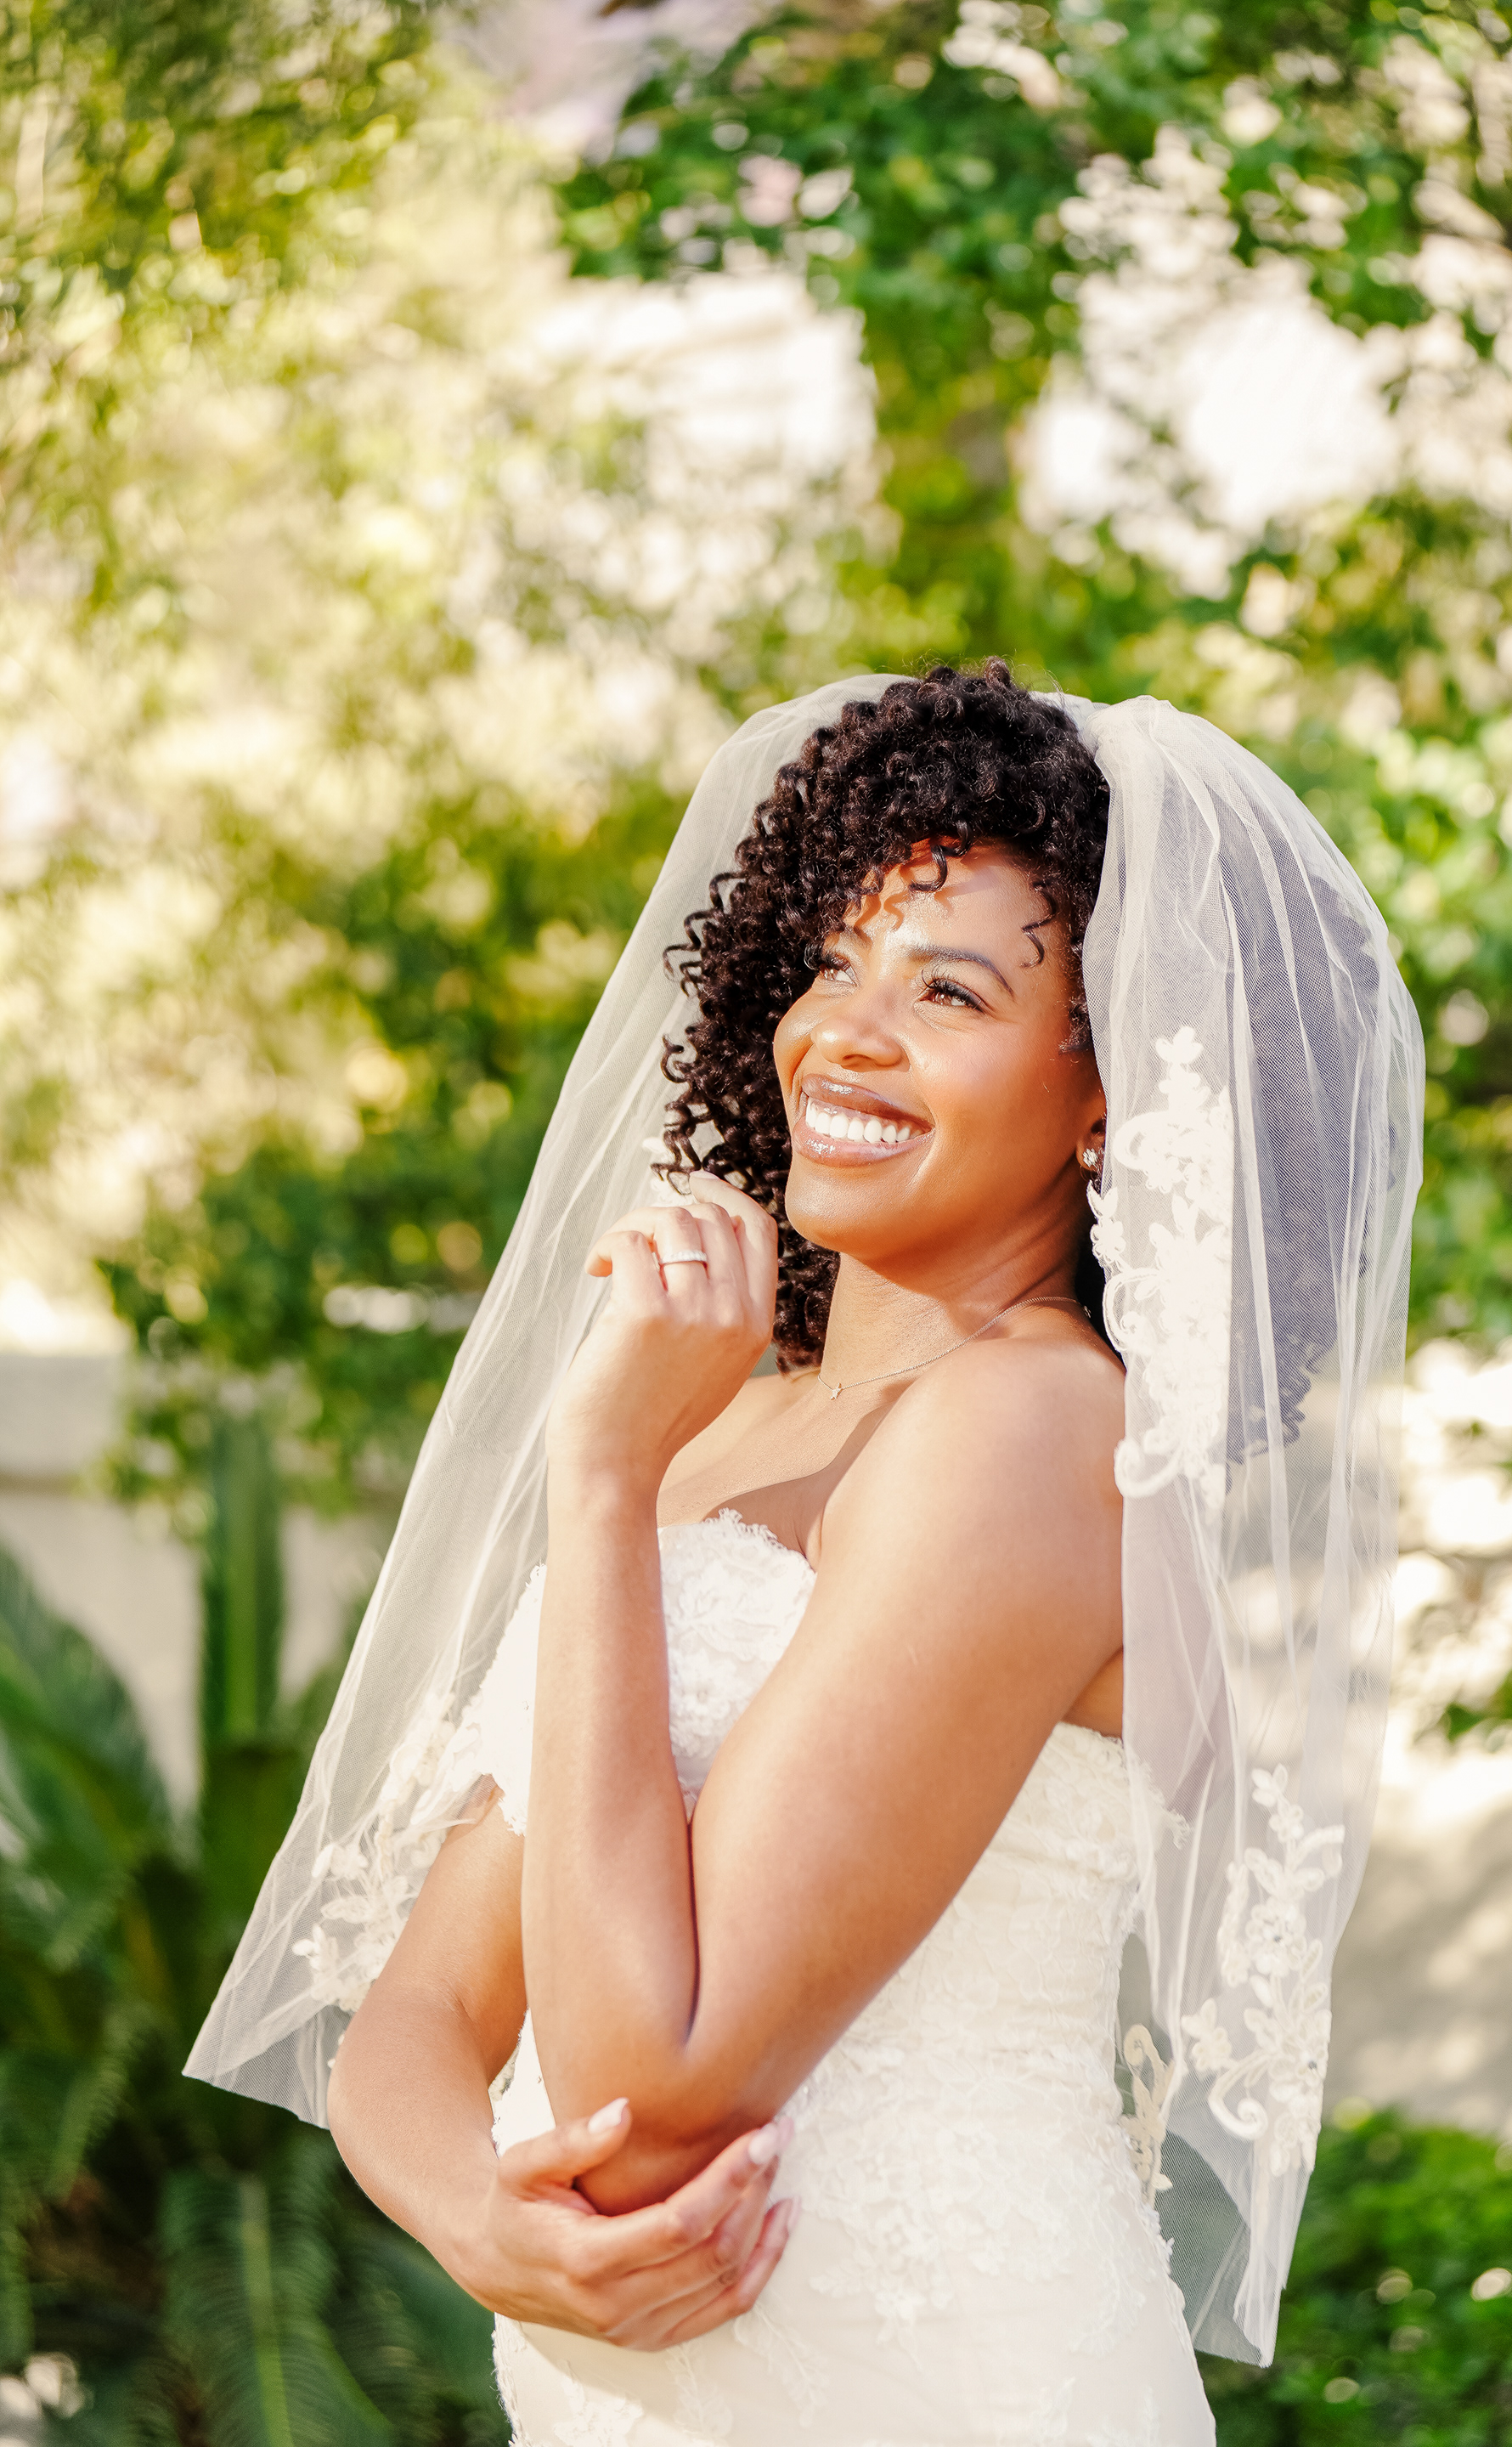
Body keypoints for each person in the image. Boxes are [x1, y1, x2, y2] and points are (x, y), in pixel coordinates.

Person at [187, 664, 1424, 2444]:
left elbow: (658, 2080)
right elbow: (425, 2012)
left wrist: (600, 1477)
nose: (847, 1032)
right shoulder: (715, 1424)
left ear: (1109, 1094)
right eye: (834, 963)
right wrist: (484, 2227)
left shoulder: (1032, 1427)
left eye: (951, 991)